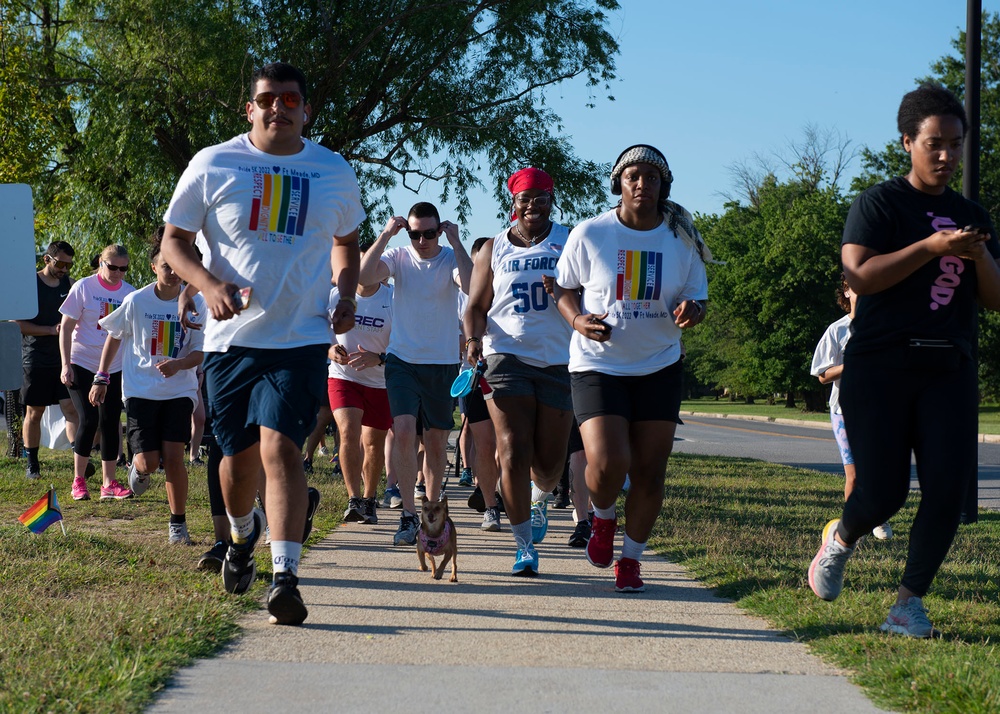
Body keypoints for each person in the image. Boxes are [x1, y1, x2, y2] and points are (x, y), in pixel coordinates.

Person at [161, 61, 364, 626]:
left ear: (305, 109)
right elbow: (175, 243)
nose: (280, 108)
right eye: (268, 99)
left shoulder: (332, 171)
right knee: (236, 461)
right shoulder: (213, 162)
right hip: (230, 341)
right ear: (249, 108)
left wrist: (344, 291)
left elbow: (346, 243)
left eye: (291, 99)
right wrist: (208, 285)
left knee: (281, 450)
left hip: (301, 336)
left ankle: (286, 578)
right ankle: (243, 532)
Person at [807, 84, 1000, 637]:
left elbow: (995, 298)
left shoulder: (971, 215)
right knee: (884, 491)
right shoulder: (879, 204)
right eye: (935, 143)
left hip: (949, 368)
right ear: (908, 142)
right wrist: (932, 249)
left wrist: (980, 251)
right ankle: (840, 539)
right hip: (880, 367)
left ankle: (907, 604)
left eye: (957, 145)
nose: (947, 156)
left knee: (948, 489)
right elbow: (859, 276)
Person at [554, 144, 710, 592]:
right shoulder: (590, 233)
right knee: (607, 463)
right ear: (619, 184)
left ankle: (632, 559)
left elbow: (697, 297)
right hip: (598, 365)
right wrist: (577, 319)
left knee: (649, 470)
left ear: (664, 186)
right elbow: (564, 289)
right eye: (632, 177)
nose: (642, 184)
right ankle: (602, 518)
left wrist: (692, 311)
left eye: (652, 178)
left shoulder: (681, 239)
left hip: (659, 365)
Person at [464, 167, 575, 575]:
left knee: (549, 463)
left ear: (551, 199)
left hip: (559, 359)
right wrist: (473, 342)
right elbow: (476, 306)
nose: (532, 206)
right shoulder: (492, 248)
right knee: (511, 447)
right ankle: (524, 545)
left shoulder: (569, 240)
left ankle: (540, 495)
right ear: (513, 202)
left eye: (540, 198)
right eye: (524, 199)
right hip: (504, 354)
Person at [358, 203, 472, 546]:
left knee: (436, 440)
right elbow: (364, 278)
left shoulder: (450, 258)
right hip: (402, 359)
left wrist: (457, 243)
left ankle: (431, 512)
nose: (421, 240)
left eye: (429, 233)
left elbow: (470, 284)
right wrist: (384, 235)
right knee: (404, 431)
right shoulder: (398, 256)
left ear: (440, 230)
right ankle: (407, 514)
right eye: (415, 233)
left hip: (441, 362)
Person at [89, 234, 205, 544]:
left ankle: (178, 526)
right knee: (149, 462)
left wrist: (179, 365)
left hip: (180, 390)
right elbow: (114, 334)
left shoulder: (198, 303)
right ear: (153, 267)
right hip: (141, 390)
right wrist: (102, 376)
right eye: (167, 266)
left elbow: (201, 351)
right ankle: (139, 471)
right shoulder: (136, 300)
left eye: (178, 266)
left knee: (174, 457)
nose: (174, 272)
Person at [810, 276, 892, 540]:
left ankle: (878, 519)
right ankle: (855, 528)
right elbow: (822, 375)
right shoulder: (837, 330)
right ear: (845, 292)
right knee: (855, 476)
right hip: (845, 411)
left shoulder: (884, 326)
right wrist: (851, 365)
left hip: (880, 409)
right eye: (855, 286)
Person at [59, 243, 135, 501]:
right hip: (81, 361)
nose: (117, 273)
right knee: (89, 420)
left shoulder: (130, 294)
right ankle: (78, 481)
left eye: (123, 269)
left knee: (111, 422)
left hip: (113, 366)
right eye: (112, 266)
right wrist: (65, 364)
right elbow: (66, 329)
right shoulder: (83, 287)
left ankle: (109, 483)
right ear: (101, 263)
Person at [328, 265, 393, 525]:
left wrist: (379, 358)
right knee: (348, 432)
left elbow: (404, 342)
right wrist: (329, 350)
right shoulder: (336, 297)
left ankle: (369, 499)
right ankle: (353, 498)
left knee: (373, 444)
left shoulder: (393, 300)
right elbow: (319, 331)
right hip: (343, 377)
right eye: (361, 265)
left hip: (380, 382)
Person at [16, 241, 81, 480]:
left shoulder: (71, 285)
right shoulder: (29, 285)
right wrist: (52, 330)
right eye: (61, 263)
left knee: (71, 409)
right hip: (34, 358)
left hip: (64, 359)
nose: (64, 269)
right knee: (35, 412)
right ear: (47, 259)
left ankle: (79, 462)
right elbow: (18, 325)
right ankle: (32, 464)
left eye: (69, 265)